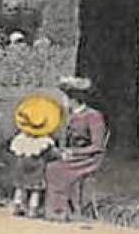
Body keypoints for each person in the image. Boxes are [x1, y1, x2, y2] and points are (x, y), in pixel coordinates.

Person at [44, 76, 108, 221]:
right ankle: (57, 207)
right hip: (74, 155)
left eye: (65, 99)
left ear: (74, 100)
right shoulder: (70, 116)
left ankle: (60, 211)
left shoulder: (93, 116)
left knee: (56, 168)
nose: (63, 102)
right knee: (50, 162)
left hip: (90, 158)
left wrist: (73, 152)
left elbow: (97, 146)